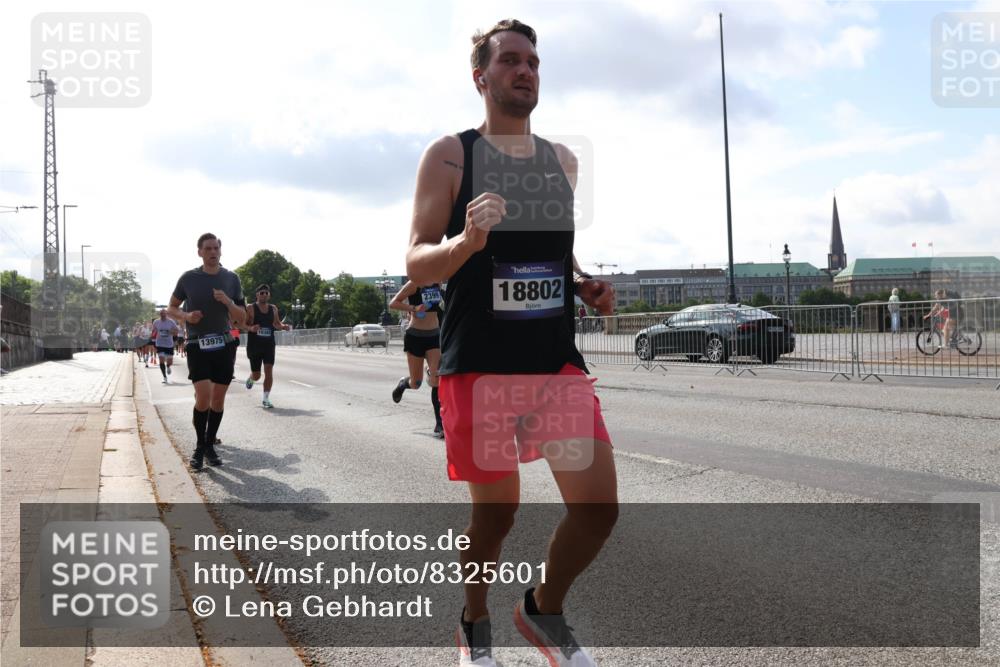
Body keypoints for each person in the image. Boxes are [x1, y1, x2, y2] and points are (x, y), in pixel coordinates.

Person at [404, 19, 617, 667]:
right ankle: (474, 619)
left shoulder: (561, 161)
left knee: (599, 509)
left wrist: (582, 284)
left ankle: (541, 608)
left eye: (534, 61)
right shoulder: (451, 156)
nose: (526, 70)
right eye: (511, 61)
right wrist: (466, 244)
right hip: (482, 367)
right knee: (497, 517)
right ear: (482, 77)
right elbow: (416, 261)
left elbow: (551, 251)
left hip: (553, 361)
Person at [167, 233, 246, 470]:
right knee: (202, 397)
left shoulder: (232, 279)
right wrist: (187, 316)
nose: (213, 252)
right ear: (199, 252)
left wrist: (228, 303)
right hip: (197, 344)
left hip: (223, 344)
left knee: (218, 399)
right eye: (208, 248)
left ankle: (210, 444)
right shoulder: (189, 278)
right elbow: (171, 308)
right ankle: (200, 447)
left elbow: (242, 318)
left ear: (221, 250)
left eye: (216, 248)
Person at [389, 281, 446, 437]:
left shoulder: (438, 283)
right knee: (416, 383)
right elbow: (393, 303)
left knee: (436, 380)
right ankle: (403, 384)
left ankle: (439, 425)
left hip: (434, 335)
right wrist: (413, 308)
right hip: (415, 336)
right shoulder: (415, 283)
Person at [244, 284, 291, 408]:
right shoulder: (250, 308)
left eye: (266, 293)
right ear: (257, 295)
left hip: (269, 345)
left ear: (269, 295)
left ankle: (265, 399)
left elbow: (276, 323)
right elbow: (243, 325)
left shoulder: (273, 308)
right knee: (257, 375)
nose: (264, 295)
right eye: (261, 293)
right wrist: (251, 328)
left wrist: (283, 327)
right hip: (254, 346)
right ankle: (251, 378)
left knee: (269, 371)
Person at [152, 310, 180, 383]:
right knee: (161, 360)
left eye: (164, 314)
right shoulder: (156, 322)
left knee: (170, 362)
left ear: (166, 314)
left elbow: (177, 331)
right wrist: (153, 336)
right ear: (159, 314)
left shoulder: (171, 322)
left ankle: (168, 366)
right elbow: (153, 331)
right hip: (160, 344)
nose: (162, 315)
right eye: (161, 314)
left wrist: (171, 332)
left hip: (169, 344)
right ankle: (164, 377)